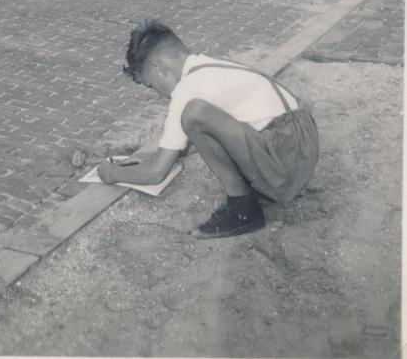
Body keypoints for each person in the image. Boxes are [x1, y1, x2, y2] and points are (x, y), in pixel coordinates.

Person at [98, 20, 319, 240]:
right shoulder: (205, 65)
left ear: (159, 69)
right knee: (197, 117)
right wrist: (151, 157)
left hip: (287, 161)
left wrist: (113, 174)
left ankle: (243, 210)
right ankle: (260, 189)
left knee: (193, 114)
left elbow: (157, 174)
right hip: (303, 142)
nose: (158, 94)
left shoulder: (186, 91)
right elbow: (185, 146)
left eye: (152, 85)